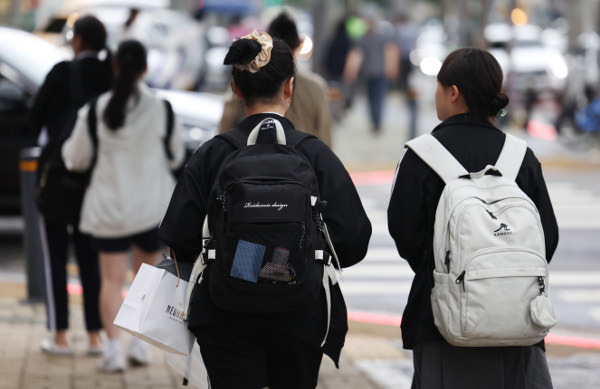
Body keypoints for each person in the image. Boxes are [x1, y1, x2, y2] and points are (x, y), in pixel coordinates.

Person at [159, 30, 371, 389]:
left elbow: (177, 235)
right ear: (290, 87)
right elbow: (353, 238)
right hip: (301, 312)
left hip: (223, 310)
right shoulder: (315, 154)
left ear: (236, 88)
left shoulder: (212, 154)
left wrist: (240, 259)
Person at [387, 47, 559, 388]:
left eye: (438, 86)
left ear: (453, 92)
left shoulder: (421, 156)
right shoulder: (520, 156)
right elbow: (547, 236)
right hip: (518, 321)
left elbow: (405, 233)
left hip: (441, 322)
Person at [62, 39, 185, 372]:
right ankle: (140, 348)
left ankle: (113, 350)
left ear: (115, 67)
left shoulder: (95, 110)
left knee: (110, 281)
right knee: (145, 280)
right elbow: (175, 155)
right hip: (150, 210)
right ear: (145, 68)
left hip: (108, 210)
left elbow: (74, 158)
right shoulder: (161, 108)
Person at [30, 15, 113, 357]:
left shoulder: (61, 73)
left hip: (59, 176)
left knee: (55, 255)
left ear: (78, 41)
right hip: (97, 179)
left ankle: (60, 335)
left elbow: (35, 117)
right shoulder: (112, 76)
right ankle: (96, 336)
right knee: (91, 256)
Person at [218, 12, 333, 147]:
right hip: (305, 162)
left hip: (251, 162)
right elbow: (325, 136)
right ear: (299, 43)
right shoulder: (316, 87)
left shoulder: (248, 79)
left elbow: (226, 123)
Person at [344, 16, 398, 134]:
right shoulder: (363, 40)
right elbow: (356, 56)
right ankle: (375, 121)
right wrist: (351, 71)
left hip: (378, 73)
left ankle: (376, 121)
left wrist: (391, 68)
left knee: (376, 98)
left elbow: (390, 52)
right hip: (369, 74)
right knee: (373, 99)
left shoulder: (379, 39)